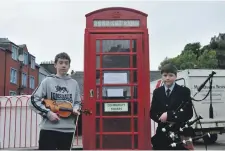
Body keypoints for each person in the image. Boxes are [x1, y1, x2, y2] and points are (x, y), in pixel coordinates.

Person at [29, 52, 81, 150]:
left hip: (68, 130)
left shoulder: (74, 84)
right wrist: (48, 113)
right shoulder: (47, 81)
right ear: (55, 65)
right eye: (61, 62)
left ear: (69, 66)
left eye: (66, 63)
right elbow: (33, 100)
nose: (63, 65)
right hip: (49, 129)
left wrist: (76, 108)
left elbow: (78, 102)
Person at [150, 63, 194, 150]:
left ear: (175, 76)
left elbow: (189, 113)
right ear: (162, 76)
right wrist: (160, 118)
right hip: (162, 132)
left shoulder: (184, 91)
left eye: (171, 75)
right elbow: (152, 112)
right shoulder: (157, 92)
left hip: (180, 132)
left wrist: (169, 115)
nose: (167, 78)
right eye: (165, 75)